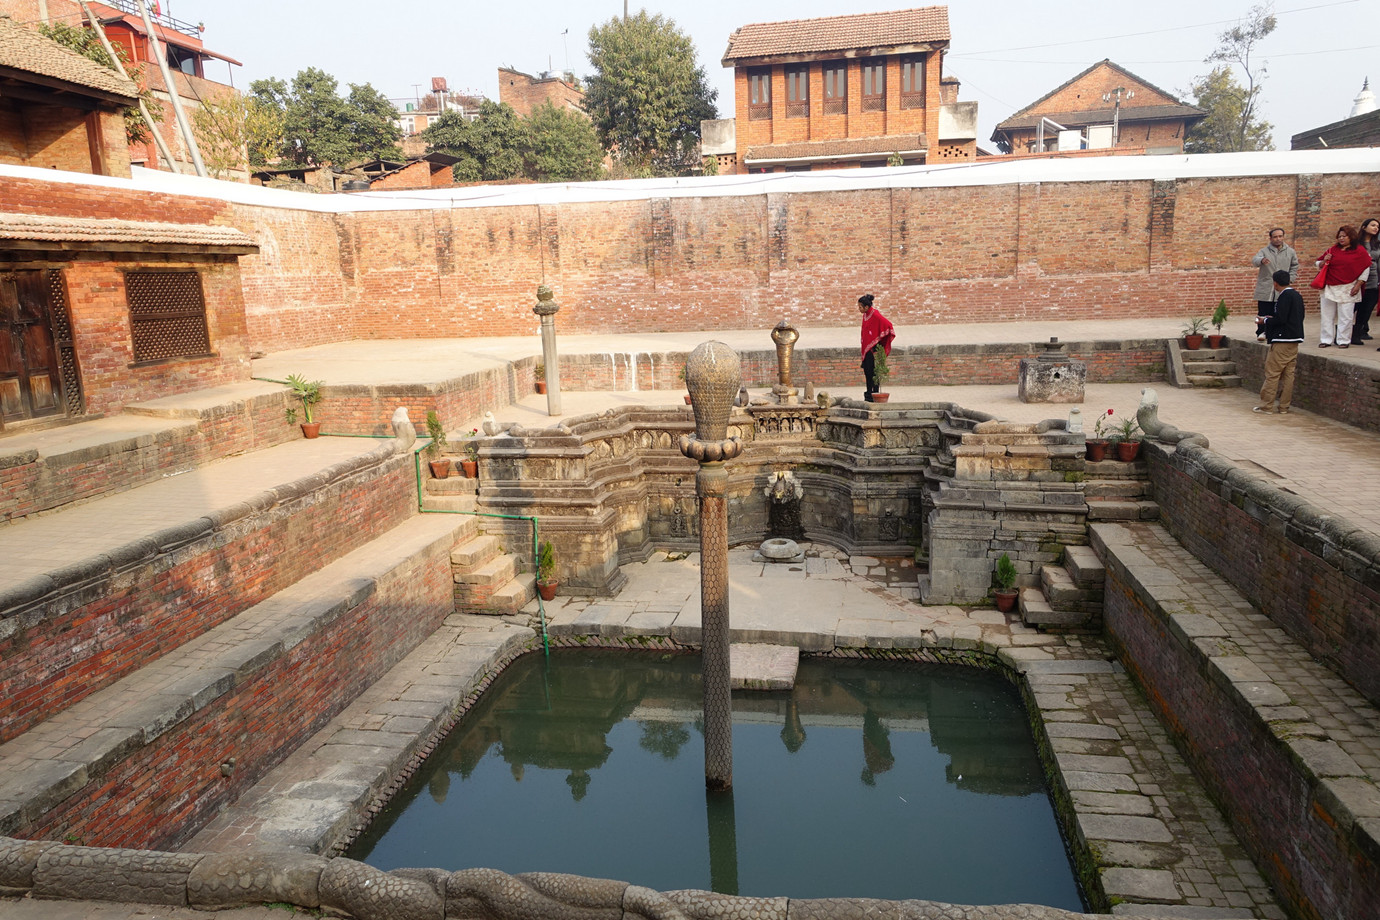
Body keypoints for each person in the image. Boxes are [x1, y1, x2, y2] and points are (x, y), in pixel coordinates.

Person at [1255, 270, 1304, 414]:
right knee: (1289, 375)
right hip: (1294, 339)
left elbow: (1281, 319)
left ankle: (1267, 405)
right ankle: (1284, 407)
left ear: (1275, 283)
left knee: (1273, 373)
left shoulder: (1284, 297)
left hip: (1282, 340)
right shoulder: (1297, 296)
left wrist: (1266, 320)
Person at [1315, 225, 1371, 348]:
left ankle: (1343, 340)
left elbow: (1366, 268)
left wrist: (1358, 284)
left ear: (1351, 236)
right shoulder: (1332, 250)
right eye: (1339, 236)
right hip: (1330, 286)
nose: (1341, 238)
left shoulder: (1360, 251)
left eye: (1344, 236)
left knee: (1346, 316)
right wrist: (1324, 261)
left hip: (1349, 286)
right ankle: (1326, 339)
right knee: (1327, 315)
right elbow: (1318, 263)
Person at [1251, 228, 1298, 341]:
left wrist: (1290, 279)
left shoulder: (1290, 252)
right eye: (1275, 237)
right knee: (1263, 310)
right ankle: (1261, 332)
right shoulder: (1264, 251)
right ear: (1271, 238)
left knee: (1278, 311)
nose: (1278, 239)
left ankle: (1274, 332)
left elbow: (1294, 266)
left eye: (1280, 236)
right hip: (1266, 286)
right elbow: (1254, 260)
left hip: (1282, 286)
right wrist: (1262, 260)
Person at [857, 293, 895, 401]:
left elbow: (888, 325)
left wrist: (878, 343)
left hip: (872, 350)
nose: (859, 309)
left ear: (866, 307)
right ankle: (869, 393)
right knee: (867, 372)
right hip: (866, 349)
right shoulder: (865, 315)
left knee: (874, 372)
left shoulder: (875, 315)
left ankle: (874, 393)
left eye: (860, 307)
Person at [1356, 217, 1379, 345]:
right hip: (1358, 280)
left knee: (1367, 309)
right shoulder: (1356, 244)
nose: (1376, 228)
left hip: (1374, 280)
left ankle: (1360, 332)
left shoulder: (1377, 244)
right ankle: (1344, 331)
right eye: (1373, 225)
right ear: (1364, 227)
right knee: (1354, 308)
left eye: (1377, 226)